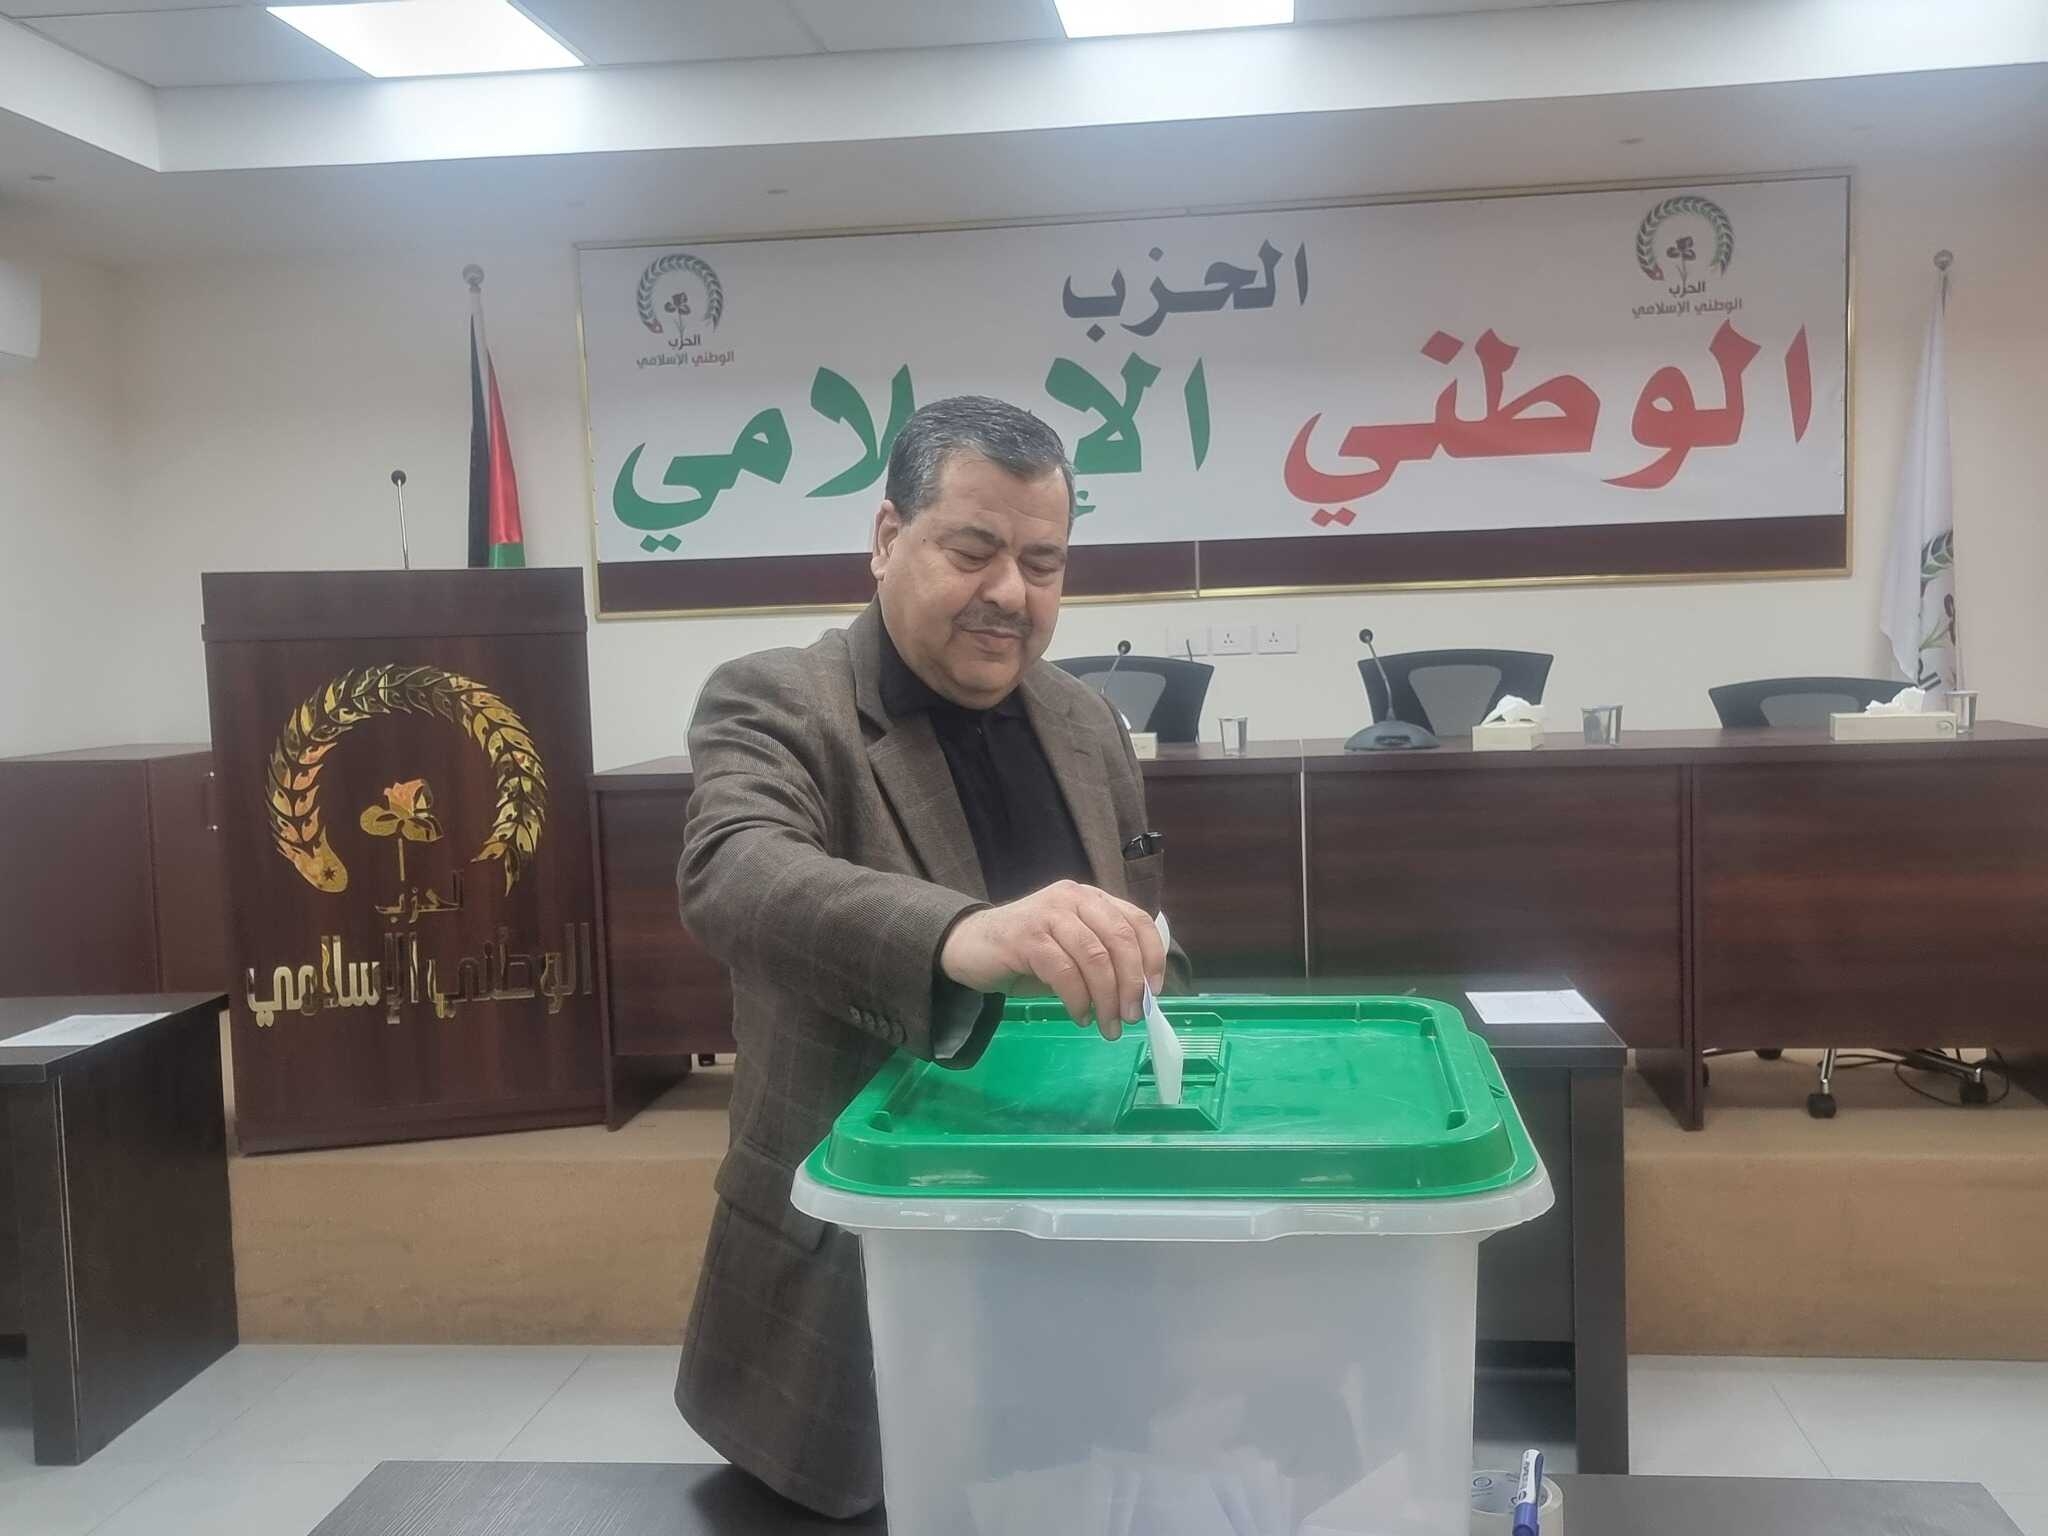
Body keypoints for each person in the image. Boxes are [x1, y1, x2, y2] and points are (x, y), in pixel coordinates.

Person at [673, 395, 1187, 1517]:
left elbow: (1139, 936)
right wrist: (963, 934)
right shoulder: (779, 699)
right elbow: (735, 871)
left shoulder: (1086, 724)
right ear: (886, 537)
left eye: (1043, 564)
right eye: (973, 550)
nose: (1011, 593)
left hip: (1075, 1264)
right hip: (856, 1283)